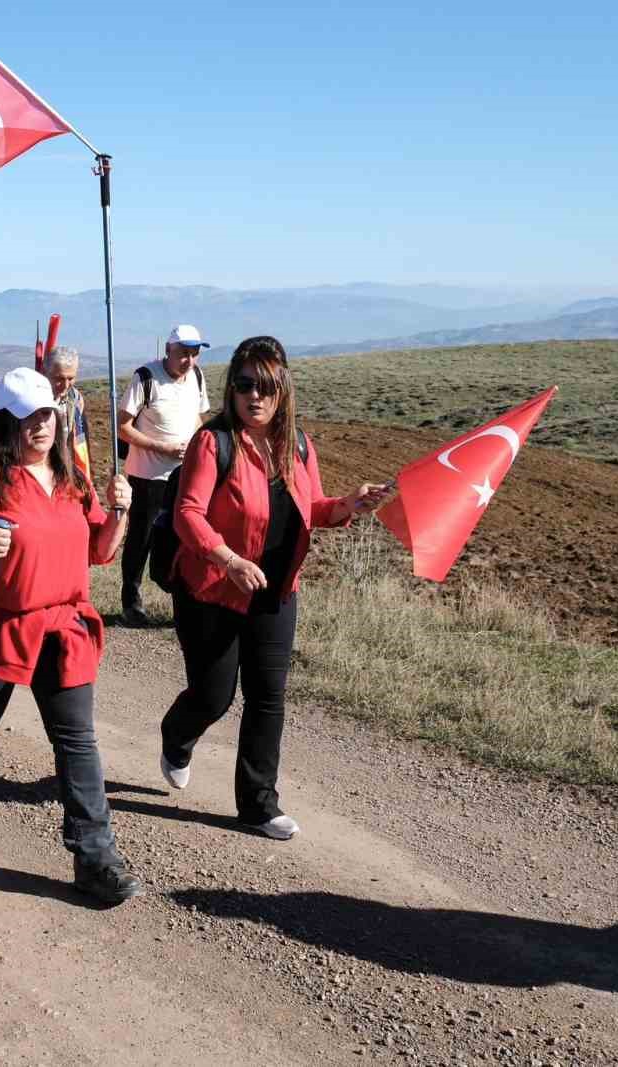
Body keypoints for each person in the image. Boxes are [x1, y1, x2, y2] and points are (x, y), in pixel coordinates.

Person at [0, 368, 141, 904]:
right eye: (25, 418)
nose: (38, 427)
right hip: (0, 625)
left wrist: (120, 512)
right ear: (4, 423)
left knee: (77, 741)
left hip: (64, 627)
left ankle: (94, 857)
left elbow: (101, 550)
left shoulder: (71, 478)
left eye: (45, 414)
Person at [161, 336, 391, 839]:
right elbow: (187, 513)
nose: (255, 397)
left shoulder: (298, 444)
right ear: (232, 390)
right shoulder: (213, 442)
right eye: (245, 386)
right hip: (213, 592)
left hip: (276, 592)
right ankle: (177, 736)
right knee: (213, 697)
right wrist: (228, 558)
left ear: (283, 390)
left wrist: (350, 504)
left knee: (268, 698)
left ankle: (258, 804)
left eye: (266, 387)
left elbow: (311, 509)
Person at [116, 324, 212, 626]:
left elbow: (199, 415)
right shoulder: (145, 378)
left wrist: (198, 448)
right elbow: (123, 427)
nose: (189, 360)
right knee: (141, 537)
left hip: (183, 473)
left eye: (194, 353)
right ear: (168, 350)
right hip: (147, 474)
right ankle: (131, 601)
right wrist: (161, 447)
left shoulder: (196, 377)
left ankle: (179, 595)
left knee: (179, 534)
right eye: (183, 353)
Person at [44, 346, 93, 483]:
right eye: (59, 378)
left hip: (68, 472)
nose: (66, 385)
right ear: (45, 372)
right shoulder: (33, 400)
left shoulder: (76, 399)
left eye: (71, 378)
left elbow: (82, 440)